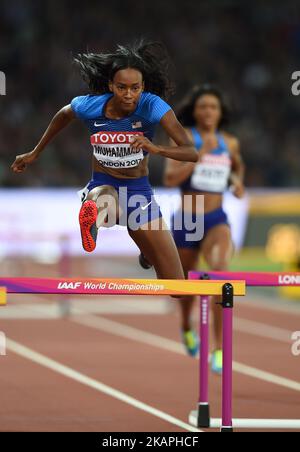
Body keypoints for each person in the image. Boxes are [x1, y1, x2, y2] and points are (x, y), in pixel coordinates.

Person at [11, 41, 198, 284]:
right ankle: (92, 221)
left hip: (139, 193)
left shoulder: (152, 106)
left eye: (135, 88)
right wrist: (35, 152)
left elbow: (191, 152)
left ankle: (148, 253)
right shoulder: (91, 106)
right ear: (111, 85)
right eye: (121, 87)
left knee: (175, 285)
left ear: (143, 87)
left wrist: (155, 147)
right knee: (103, 198)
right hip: (103, 185)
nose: (128, 95)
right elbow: (63, 115)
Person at [164, 85, 245, 373]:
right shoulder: (185, 139)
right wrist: (199, 153)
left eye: (213, 107)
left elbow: (236, 166)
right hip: (188, 218)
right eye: (203, 107)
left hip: (216, 219)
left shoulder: (230, 142)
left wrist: (237, 182)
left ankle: (220, 349)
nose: (208, 111)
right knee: (185, 289)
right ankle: (186, 325)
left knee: (220, 277)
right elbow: (171, 179)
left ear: (220, 113)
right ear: (195, 111)